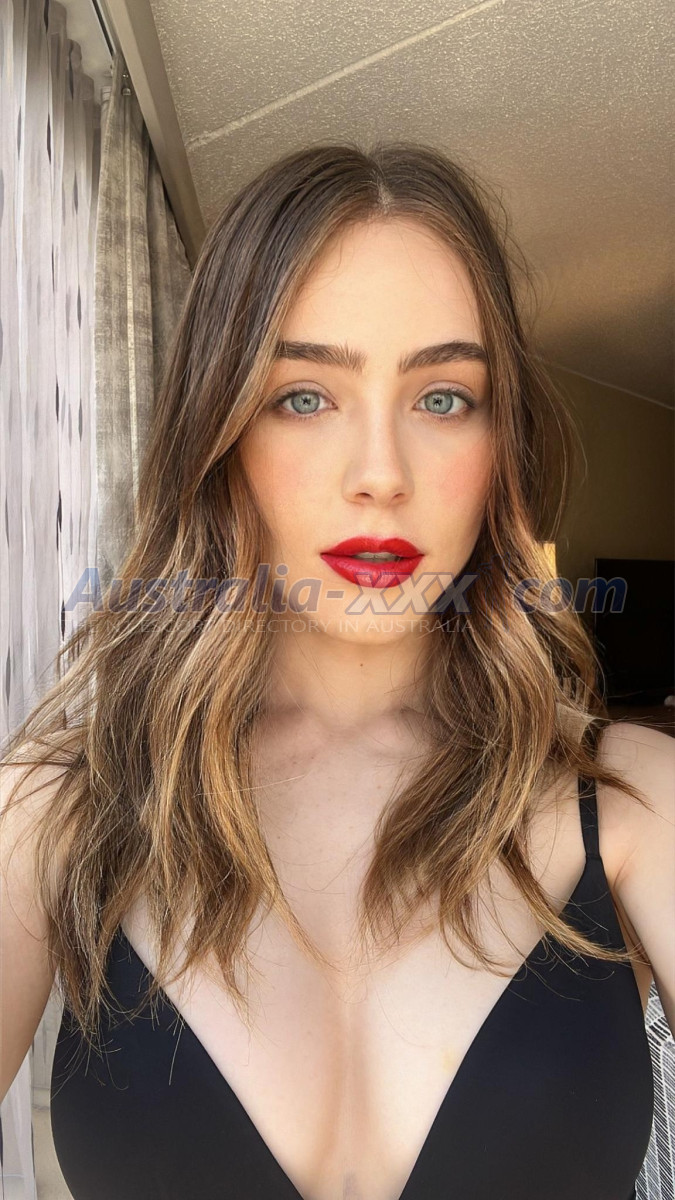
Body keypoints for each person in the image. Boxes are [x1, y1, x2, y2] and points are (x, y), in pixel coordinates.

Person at [1, 141, 673, 1200]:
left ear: (501, 444)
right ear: (219, 433)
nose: (380, 475)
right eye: (304, 396)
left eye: (442, 398)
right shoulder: (59, 808)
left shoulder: (635, 802)